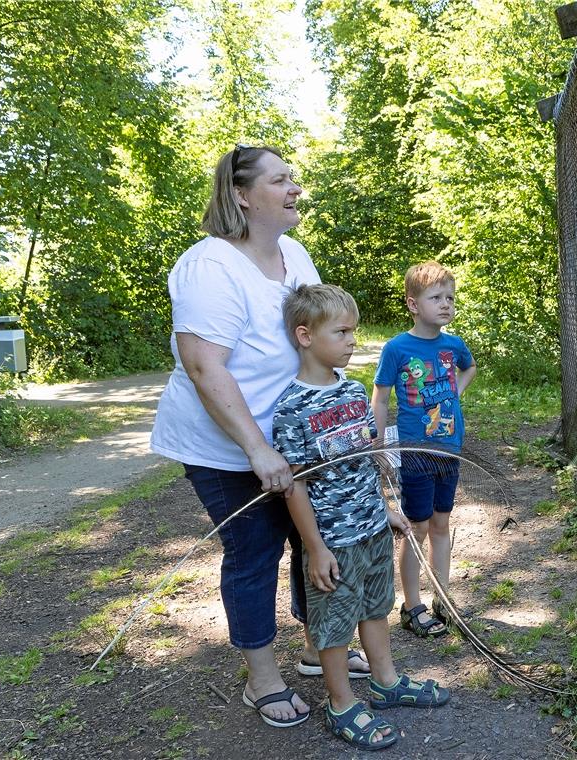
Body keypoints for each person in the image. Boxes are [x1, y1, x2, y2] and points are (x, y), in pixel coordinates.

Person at [149, 145, 367, 729]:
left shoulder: (294, 252)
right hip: (226, 445)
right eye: (280, 180)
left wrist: (340, 416)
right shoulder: (210, 267)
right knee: (254, 553)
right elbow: (203, 365)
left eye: (293, 178)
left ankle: (314, 647)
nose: (295, 188)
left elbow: (316, 336)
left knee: (312, 542)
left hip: (296, 434)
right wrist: (256, 448)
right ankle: (262, 680)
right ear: (242, 195)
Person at [273, 283, 451, 750]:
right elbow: (297, 485)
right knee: (333, 625)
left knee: (376, 606)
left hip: (371, 529)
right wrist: (315, 548)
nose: (354, 340)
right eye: (343, 331)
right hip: (334, 540)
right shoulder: (293, 408)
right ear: (305, 336)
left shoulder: (352, 392)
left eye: (354, 331)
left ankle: (386, 682)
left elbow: (366, 459)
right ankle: (341, 703)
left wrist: (386, 509)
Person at [371, 261, 477, 638]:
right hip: (416, 452)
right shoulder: (398, 349)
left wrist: (455, 394)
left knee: (441, 523)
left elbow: (469, 368)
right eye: (436, 298)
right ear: (414, 304)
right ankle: (412, 604)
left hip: (450, 450)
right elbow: (381, 398)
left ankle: (443, 597)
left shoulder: (453, 345)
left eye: (450, 297)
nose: (446, 304)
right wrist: (377, 441)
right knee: (415, 528)